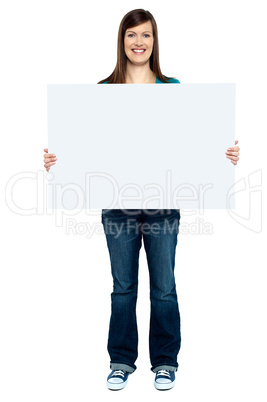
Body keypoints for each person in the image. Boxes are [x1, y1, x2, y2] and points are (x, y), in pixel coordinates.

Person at [43, 9, 240, 391]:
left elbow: (194, 142)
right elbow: (85, 147)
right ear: (122, 41)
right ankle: (121, 361)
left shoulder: (172, 86)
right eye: (132, 35)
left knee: (163, 285)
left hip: (163, 202)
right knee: (123, 286)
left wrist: (224, 155)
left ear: (154, 41)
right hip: (117, 203)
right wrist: (57, 160)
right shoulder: (103, 90)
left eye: (146, 35)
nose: (139, 42)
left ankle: (165, 362)